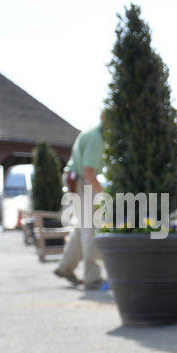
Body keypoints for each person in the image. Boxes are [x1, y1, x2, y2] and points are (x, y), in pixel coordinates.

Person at [53, 114, 106, 288]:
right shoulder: (96, 138)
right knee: (89, 229)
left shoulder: (93, 134)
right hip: (82, 181)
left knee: (82, 227)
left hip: (77, 180)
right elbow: (89, 172)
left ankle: (65, 267)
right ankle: (92, 277)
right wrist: (104, 194)